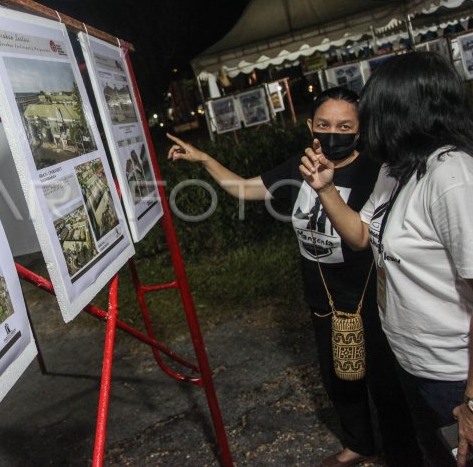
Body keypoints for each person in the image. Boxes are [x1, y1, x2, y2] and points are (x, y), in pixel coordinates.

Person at [167, 87, 420, 467]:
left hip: (370, 296)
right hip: (322, 296)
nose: (333, 132)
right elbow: (244, 188)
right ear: (310, 126)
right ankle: (360, 444)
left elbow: (367, 237)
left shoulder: (376, 171)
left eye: (344, 125)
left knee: (384, 382)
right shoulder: (300, 167)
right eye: (324, 124)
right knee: (338, 378)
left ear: (360, 129)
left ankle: (405, 453)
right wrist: (205, 159)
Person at [300, 52, 473, 467]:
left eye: (374, 112)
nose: (368, 125)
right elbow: (361, 234)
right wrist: (324, 189)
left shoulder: (453, 177)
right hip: (412, 361)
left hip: (453, 375)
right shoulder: (396, 169)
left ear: (406, 110)